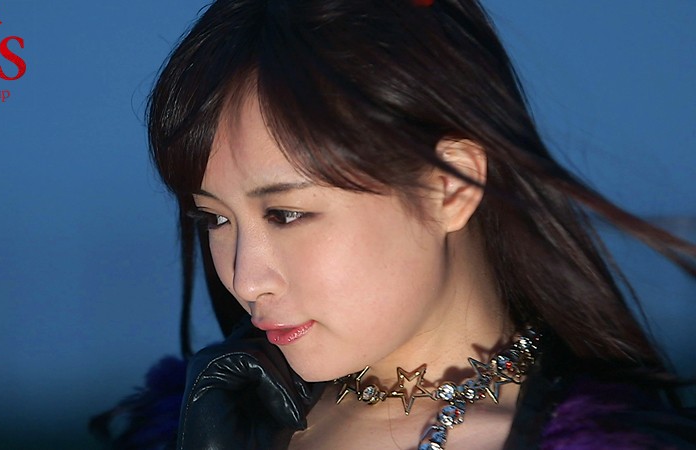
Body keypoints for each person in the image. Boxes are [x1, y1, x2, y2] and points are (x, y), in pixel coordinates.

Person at [92, 0, 696, 448]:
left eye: (287, 213)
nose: (246, 280)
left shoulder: (600, 438)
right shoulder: (208, 421)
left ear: (451, 186)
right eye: (214, 218)